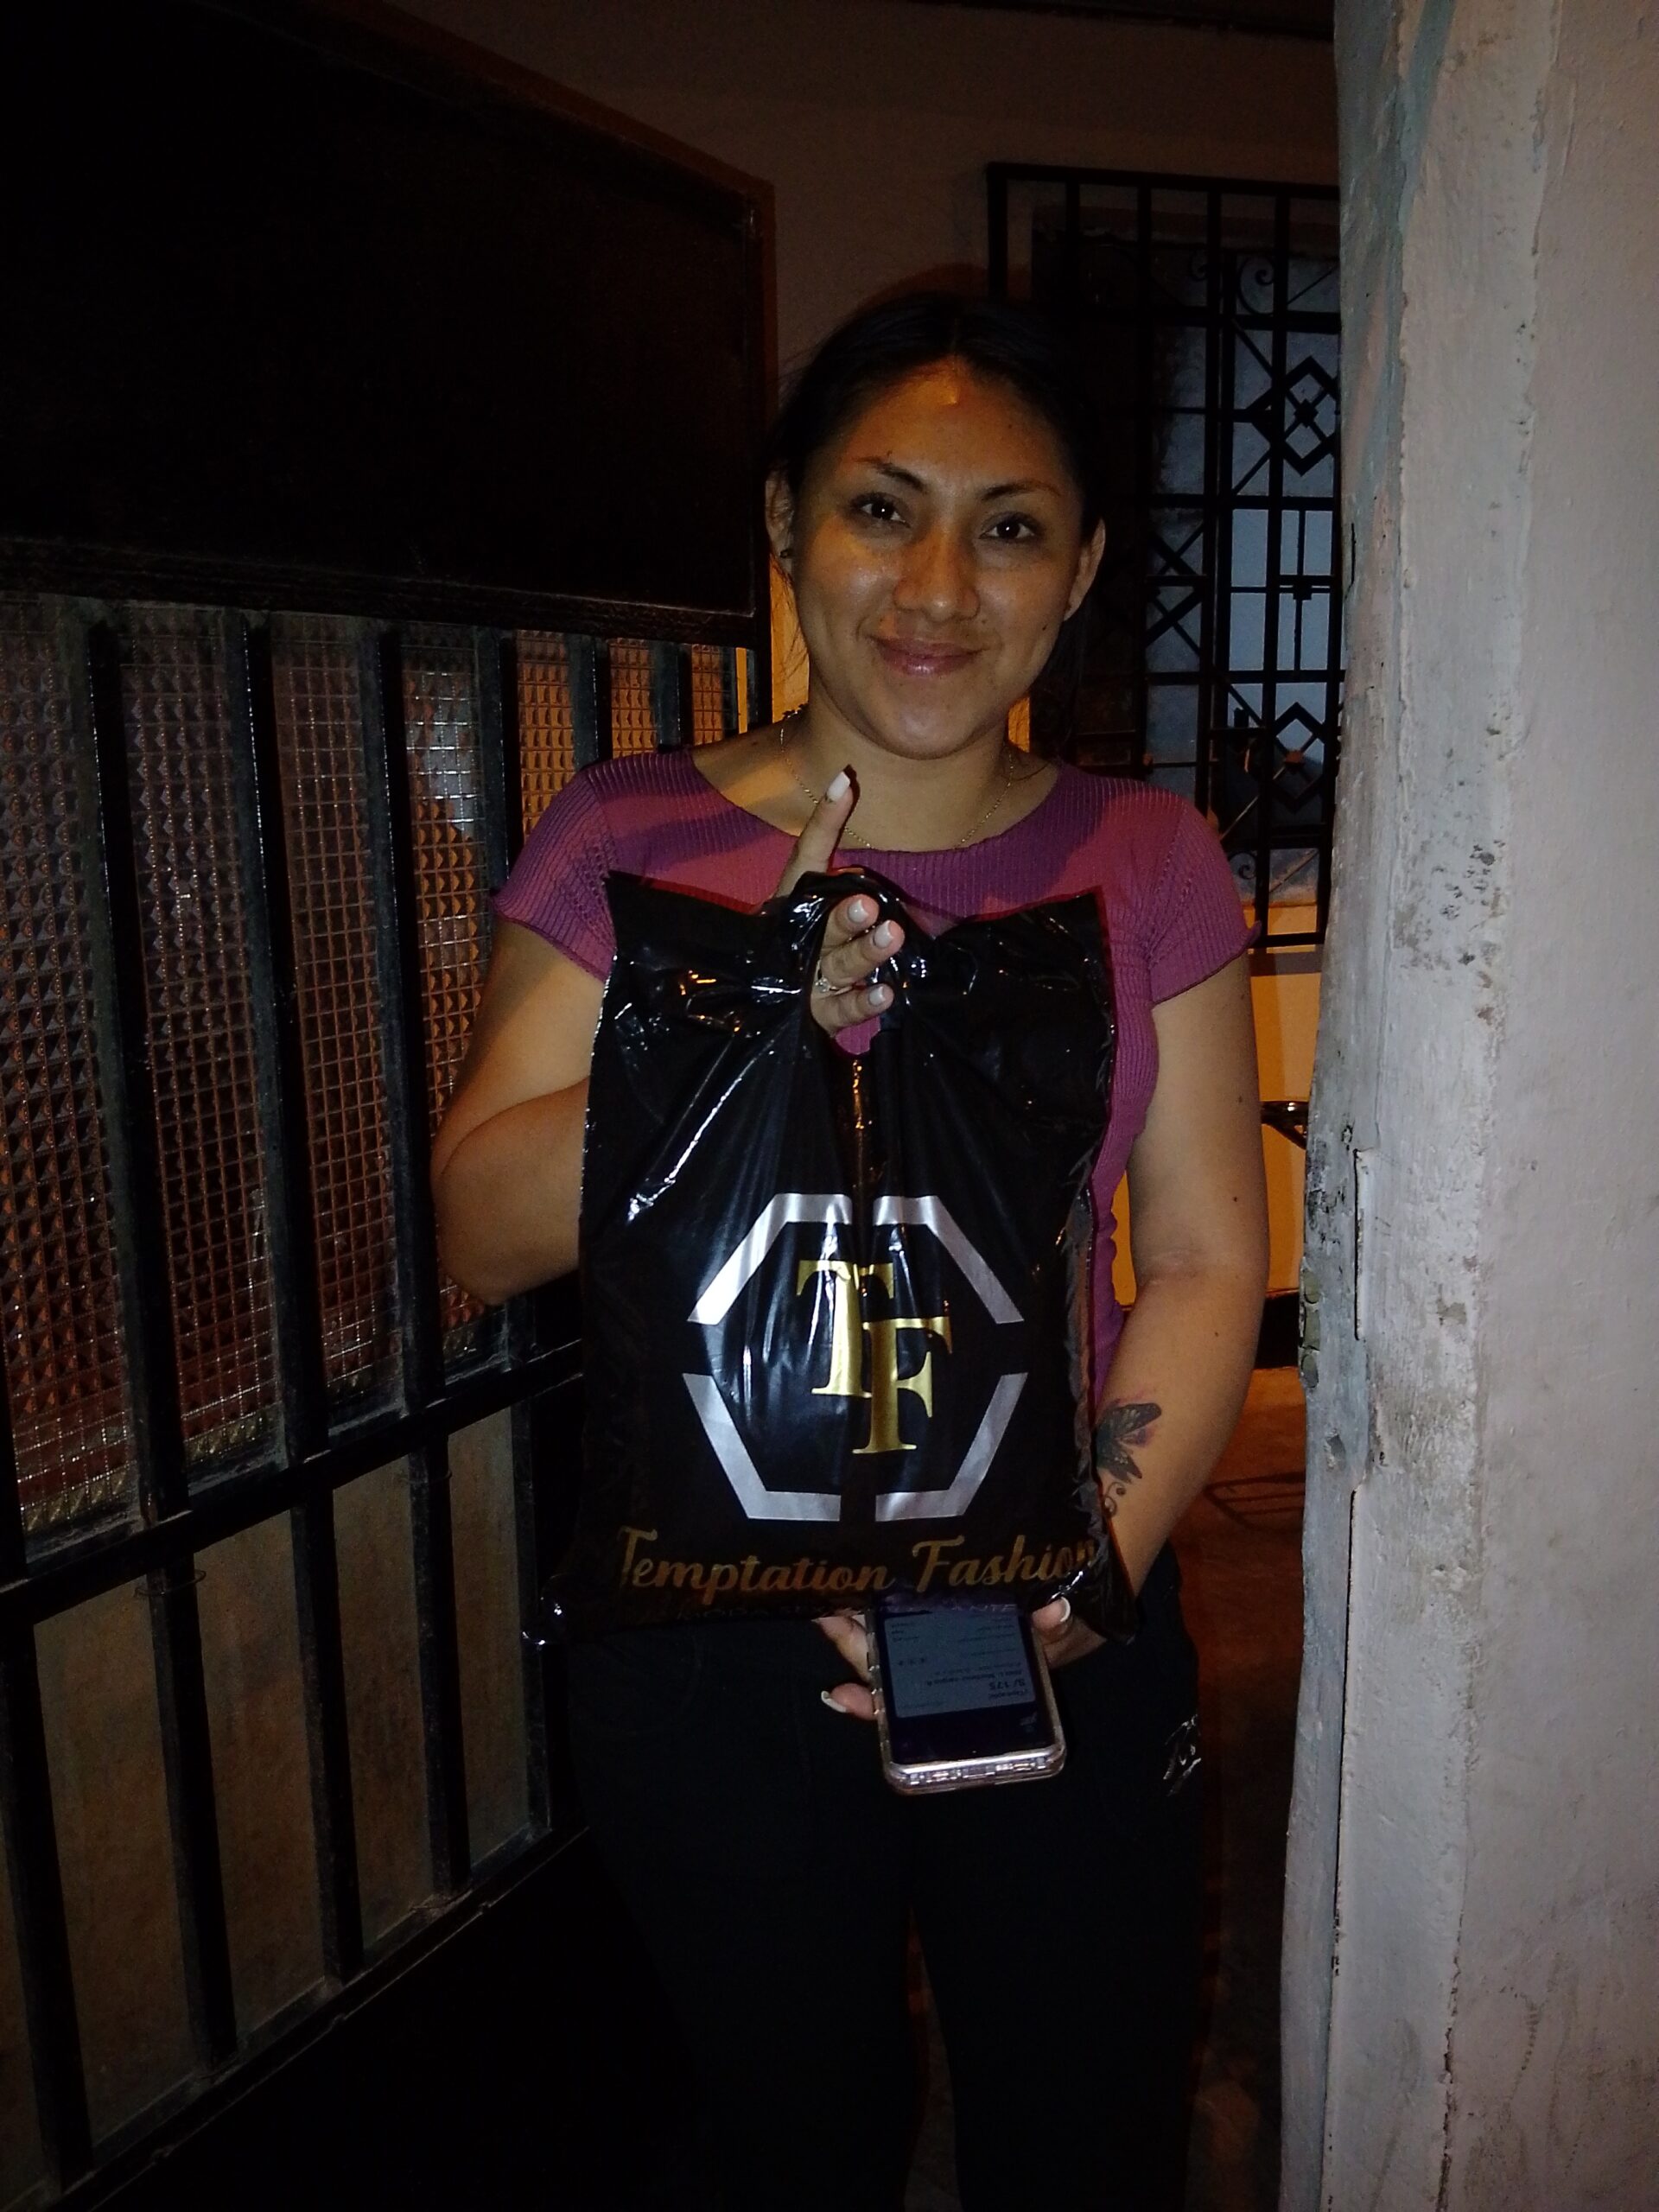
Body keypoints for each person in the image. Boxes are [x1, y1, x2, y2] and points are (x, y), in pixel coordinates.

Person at [431, 293, 1268, 2211]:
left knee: (1083, 2128)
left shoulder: (1147, 857)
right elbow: (481, 1228)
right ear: (787, 524)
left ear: (1081, 571)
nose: (939, 586)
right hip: (712, 1634)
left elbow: (1207, 1255)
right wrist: (731, 1021)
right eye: (884, 509)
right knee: (789, 2135)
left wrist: (1092, 1570)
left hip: (1058, 1584)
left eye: (1009, 526)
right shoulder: (630, 832)